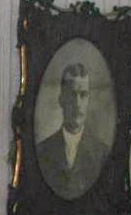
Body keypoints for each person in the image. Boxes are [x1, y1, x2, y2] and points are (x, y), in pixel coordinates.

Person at [35, 61, 110, 199]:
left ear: (88, 100)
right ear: (61, 100)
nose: (77, 104)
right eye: (72, 95)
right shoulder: (42, 151)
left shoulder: (102, 154)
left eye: (83, 95)